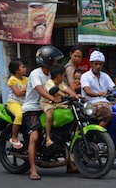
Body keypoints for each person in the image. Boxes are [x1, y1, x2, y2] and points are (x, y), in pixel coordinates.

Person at [22, 45, 76, 180]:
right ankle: (33, 170)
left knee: (63, 130)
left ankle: (69, 164)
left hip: (48, 106)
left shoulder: (52, 75)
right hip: (33, 109)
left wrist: (73, 96)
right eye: (54, 60)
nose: (56, 63)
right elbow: (40, 90)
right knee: (34, 137)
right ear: (47, 60)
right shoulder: (36, 73)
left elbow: (61, 86)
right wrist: (53, 98)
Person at [40, 64, 79, 148]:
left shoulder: (60, 83)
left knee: (72, 110)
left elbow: (67, 89)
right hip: (47, 103)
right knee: (49, 116)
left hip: (57, 103)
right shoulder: (50, 83)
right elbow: (57, 92)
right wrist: (65, 97)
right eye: (63, 75)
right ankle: (48, 138)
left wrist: (76, 96)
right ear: (59, 76)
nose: (64, 77)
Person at [81, 50, 115, 128]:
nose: (98, 66)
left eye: (100, 64)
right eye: (96, 64)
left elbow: (113, 88)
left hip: (105, 102)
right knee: (107, 114)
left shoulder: (105, 76)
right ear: (91, 64)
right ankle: (98, 134)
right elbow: (87, 91)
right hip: (90, 104)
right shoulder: (85, 76)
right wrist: (98, 94)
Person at [7, 58, 28, 149]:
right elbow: (18, 93)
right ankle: (14, 137)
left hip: (25, 103)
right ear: (16, 70)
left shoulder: (27, 79)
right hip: (14, 103)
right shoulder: (12, 80)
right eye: (23, 67)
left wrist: (24, 90)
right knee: (19, 115)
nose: (25, 68)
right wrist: (24, 90)